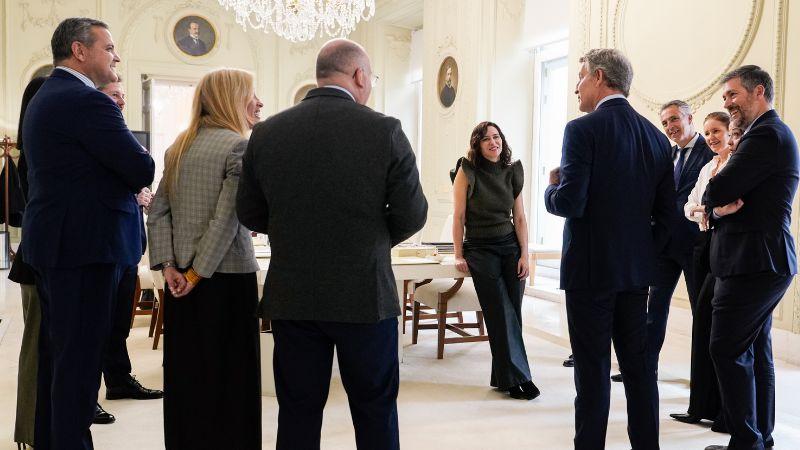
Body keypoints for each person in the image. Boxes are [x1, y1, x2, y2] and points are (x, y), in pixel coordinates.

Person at [236, 38, 427, 450]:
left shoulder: (267, 132)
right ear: (359, 75)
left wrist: (295, 235)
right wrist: (370, 241)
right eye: (370, 77)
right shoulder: (384, 129)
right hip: (364, 295)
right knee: (374, 408)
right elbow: (413, 213)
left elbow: (249, 212)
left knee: (298, 411)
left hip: (294, 294)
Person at [21, 17, 155, 449]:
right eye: (109, 47)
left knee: (58, 363)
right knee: (78, 369)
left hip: (57, 245)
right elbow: (141, 168)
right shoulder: (87, 101)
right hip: (84, 249)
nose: (116, 56)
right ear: (80, 51)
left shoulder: (47, 95)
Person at [544, 48, 674, 450]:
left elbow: (570, 203)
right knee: (638, 370)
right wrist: (640, 257)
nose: (576, 86)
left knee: (593, 370)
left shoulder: (582, 130)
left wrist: (551, 189)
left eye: (581, 76)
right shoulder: (656, 137)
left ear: (600, 77)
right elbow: (667, 217)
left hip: (590, 273)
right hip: (635, 275)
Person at [147, 68, 263, 449]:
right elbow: (227, 219)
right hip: (226, 279)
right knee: (233, 378)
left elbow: (158, 211)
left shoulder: (178, 146)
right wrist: (196, 274)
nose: (257, 102)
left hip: (180, 281)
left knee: (187, 374)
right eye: (251, 94)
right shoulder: (239, 146)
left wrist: (169, 268)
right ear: (232, 98)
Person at [702, 65, 798, 450]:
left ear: (759, 91)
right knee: (755, 351)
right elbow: (721, 197)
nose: (727, 103)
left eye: (733, 95)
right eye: (724, 97)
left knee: (725, 347)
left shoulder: (765, 136)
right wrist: (720, 207)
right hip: (761, 259)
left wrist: (716, 203)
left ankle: (746, 442)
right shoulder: (764, 134)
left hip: (753, 261)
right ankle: (760, 438)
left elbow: (718, 187)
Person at [452, 121, 539, 400]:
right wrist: (457, 253)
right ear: (477, 144)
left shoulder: (512, 171)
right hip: (480, 248)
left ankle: (506, 377)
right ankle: (520, 379)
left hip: (509, 247)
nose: (494, 142)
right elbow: (459, 217)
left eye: (497, 136)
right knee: (499, 311)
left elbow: (520, 218)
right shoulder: (467, 171)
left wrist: (525, 253)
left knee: (513, 312)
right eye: (486, 138)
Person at [96, 79, 162, 417]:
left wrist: (141, 195)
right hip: (102, 244)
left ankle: (119, 380)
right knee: (95, 324)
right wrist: (131, 192)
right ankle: (87, 393)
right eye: (113, 96)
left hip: (127, 244)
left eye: (122, 96)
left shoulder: (124, 134)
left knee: (119, 321)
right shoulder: (96, 131)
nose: (120, 102)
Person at [671, 112, 733, 430]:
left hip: (726, 250)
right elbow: (688, 207)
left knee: (719, 334)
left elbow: (720, 207)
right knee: (703, 329)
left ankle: (724, 409)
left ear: (730, 132)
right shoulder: (708, 167)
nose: (711, 137)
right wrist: (705, 211)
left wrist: (705, 211)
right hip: (704, 247)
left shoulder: (737, 165)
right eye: (707, 133)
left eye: (717, 131)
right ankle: (700, 406)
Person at [10, 76, 46, 450]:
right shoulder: (35, 156)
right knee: (36, 347)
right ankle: (29, 433)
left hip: (37, 257)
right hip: (38, 260)